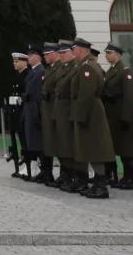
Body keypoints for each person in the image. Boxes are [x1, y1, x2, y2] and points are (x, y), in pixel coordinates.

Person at [70, 38, 115, 199]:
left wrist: (80, 116)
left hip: (91, 113)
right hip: (92, 111)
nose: (72, 52)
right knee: (92, 148)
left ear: (81, 50)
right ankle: (97, 183)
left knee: (95, 148)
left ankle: (101, 185)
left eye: (74, 49)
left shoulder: (87, 67)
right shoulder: (87, 65)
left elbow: (86, 94)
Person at [101, 43, 133, 190]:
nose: (107, 55)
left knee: (129, 149)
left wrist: (126, 117)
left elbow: (130, 97)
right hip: (113, 115)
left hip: (124, 116)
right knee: (120, 147)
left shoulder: (126, 72)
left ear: (118, 55)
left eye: (110, 53)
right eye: (106, 53)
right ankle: (125, 177)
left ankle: (131, 178)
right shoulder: (111, 71)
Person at [54, 40, 82, 192]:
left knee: (70, 144)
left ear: (72, 52)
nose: (61, 55)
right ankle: (66, 173)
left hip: (69, 110)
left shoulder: (76, 68)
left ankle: (75, 175)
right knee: (63, 144)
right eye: (60, 53)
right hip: (61, 110)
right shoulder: (63, 68)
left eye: (64, 53)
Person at [22, 45, 48, 183]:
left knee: (39, 142)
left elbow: (38, 93)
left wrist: (38, 113)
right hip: (29, 108)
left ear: (38, 57)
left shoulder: (41, 71)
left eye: (31, 55)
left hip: (35, 109)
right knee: (33, 141)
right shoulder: (33, 71)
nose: (29, 57)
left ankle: (45, 170)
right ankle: (42, 170)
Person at [39, 42, 62, 187]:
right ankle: (49, 173)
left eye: (47, 54)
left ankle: (66, 174)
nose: (45, 57)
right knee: (51, 143)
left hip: (56, 110)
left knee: (60, 143)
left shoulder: (59, 69)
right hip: (48, 110)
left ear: (55, 53)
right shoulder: (50, 69)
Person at [6, 52, 29, 178]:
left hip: (23, 112)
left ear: (24, 62)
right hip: (15, 112)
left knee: (25, 140)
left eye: (17, 62)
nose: (15, 64)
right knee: (18, 139)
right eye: (14, 62)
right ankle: (21, 166)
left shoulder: (27, 75)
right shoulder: (16, 76)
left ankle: (27, 165)